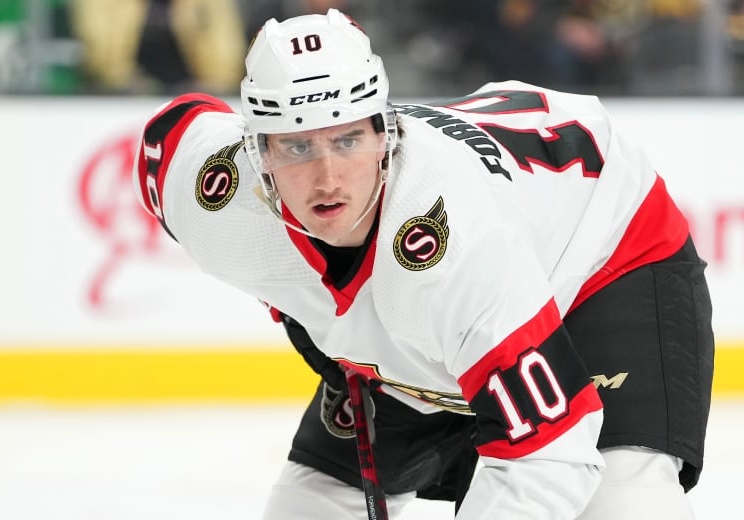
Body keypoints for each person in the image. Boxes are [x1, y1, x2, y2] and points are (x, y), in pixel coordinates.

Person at [132, 9, 714, 519]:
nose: (328, 178)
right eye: (297, 146)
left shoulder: (455, 239)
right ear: (256, 151)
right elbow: (170, 134)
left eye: (348, 140)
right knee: (308, 506)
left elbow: (548, 455)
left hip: (600, 256)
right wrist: (290, 306)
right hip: (431, 323)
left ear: (387, 133)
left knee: (625, 501)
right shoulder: (216, 192)